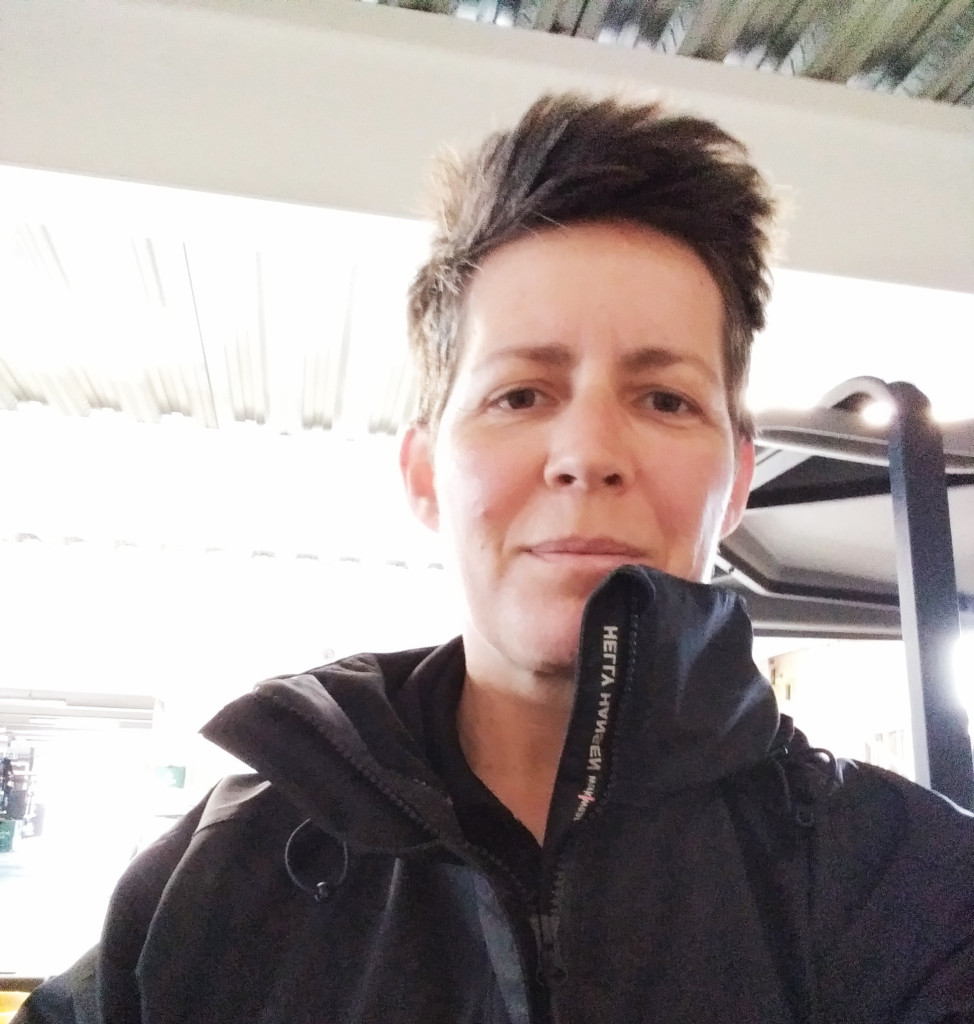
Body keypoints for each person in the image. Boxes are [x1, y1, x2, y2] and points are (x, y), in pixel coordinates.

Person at [17, 93, 974, 1024]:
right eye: (520, 395)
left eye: (665, 400)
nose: (588, 453)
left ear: (735, 483)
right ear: (424, 475)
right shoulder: (205, 890)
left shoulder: (915, 891)